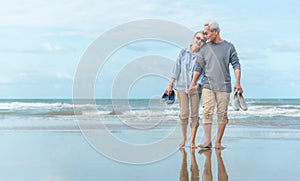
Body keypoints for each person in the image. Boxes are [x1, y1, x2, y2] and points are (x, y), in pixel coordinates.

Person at [188, 20, 243, 149]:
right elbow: (199, 67)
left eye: (207, 33)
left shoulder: (229, 47)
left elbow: (236, 65)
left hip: (224, 87)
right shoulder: (205, 48)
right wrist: (192, 83)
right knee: (207, 112)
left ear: (215, 32)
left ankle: (218, 141)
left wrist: (238, 82)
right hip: (208, 86)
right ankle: (208, 141)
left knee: (222, 114)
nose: (205, 36)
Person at [165, 31, 206, 149]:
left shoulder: (202, 56)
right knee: (184, 114)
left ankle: (192, 141)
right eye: (198, 38)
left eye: (203, 40)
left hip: (196, 89)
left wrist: (197, 86)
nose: (199, 41)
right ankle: (184, 138)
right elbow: (176, 69)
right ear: (194, 38)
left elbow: (203, 73)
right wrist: (171, 84)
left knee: (194, 115)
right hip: (181, 87)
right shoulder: (183, 52)